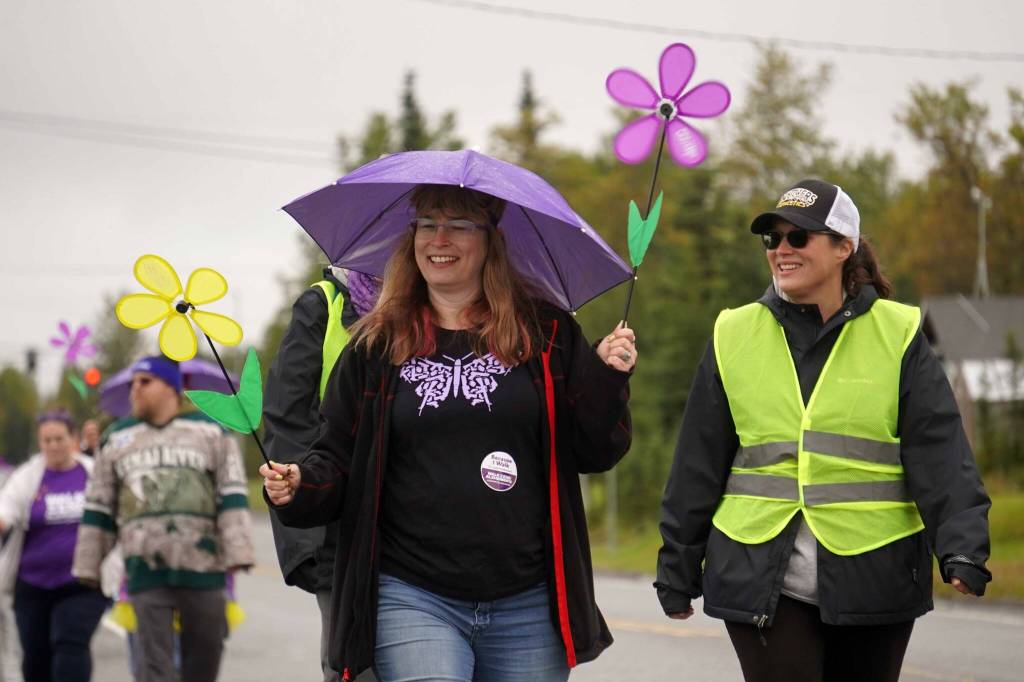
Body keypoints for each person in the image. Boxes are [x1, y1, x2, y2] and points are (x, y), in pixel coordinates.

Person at [262, 184, 636, 681]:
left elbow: (595, 449)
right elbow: (337, 457)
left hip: (529, 599)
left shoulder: (546, 335)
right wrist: (299, 485)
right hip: (412, 594)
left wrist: (607, 380)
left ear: (489, 241)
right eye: (427, 224)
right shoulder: (376, 346)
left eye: (459, 225)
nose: (440, 238)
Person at [655, 179, 992, 682]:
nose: (782, 251)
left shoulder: (898, 333)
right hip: (757, 573)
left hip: (875, 575)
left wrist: (962, 544)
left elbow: (939, 450)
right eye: (773, 239)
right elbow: (697, 462)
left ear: (843, 247)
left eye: (799, 238)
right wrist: (677, 567)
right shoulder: (734, 333)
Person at [73, 355, 255, 682]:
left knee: (203, 663)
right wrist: (88, 565)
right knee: (155, 669)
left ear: (171, 387)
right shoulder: (117, 437)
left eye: (145, 382)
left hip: (204, 570)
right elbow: (99, 505)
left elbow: (231, 492)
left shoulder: (210, 431)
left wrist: (238, 550)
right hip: (145, 572)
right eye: (132, 384)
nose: (135, 390)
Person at [264, 266, 380, 682]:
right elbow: (287, 423)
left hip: (422, 529)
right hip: (340, 531)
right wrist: (303, 540)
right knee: (352, 668)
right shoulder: (323, 304)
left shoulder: (440, 300)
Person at [0, 408, 107, 682]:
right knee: (36, 660)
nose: (53, 446)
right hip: (33, 585)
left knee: (69, 643)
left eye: (59, 439)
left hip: (83, 583)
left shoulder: (93, 472)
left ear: (73, 438)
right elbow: (6, 508)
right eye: (46, 440)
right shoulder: (29, 476)